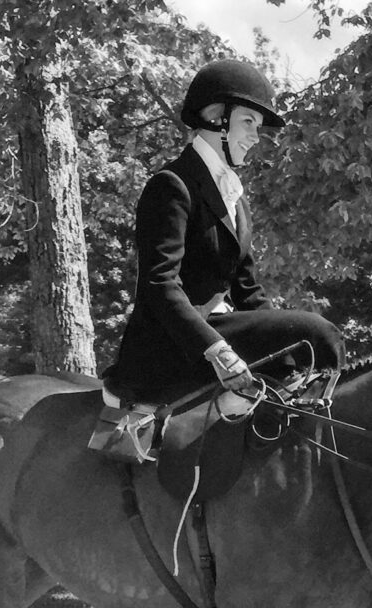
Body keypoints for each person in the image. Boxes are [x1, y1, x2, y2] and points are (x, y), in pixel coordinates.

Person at [104, 59, 344, 405]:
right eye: (248, 122)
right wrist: (217, 350)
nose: (255, 136)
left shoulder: (235, 198)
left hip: (225, 330)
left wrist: (284, 346)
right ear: (216, 118)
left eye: (258, 127)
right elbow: (160, 283)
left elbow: (247, 290)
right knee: (320, 332)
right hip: (176, 345)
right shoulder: (172, 185)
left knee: (303, 343)